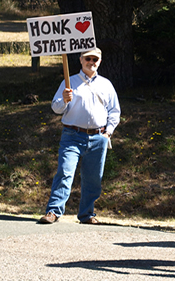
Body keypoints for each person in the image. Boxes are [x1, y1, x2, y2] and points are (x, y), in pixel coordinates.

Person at [39, 47, 120, 225]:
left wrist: (108, 133)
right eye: (88, 59)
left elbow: (114, 111)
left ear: (99, 61)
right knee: (65, 173)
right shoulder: (70, 82)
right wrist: (64, 99)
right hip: (72, 135)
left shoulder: (106, 84)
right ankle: (53, 211)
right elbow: (56, 108)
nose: (91, 62)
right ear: (81, 60)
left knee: (93, 178)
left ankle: (87, 214)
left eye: (95, 59)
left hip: (98, 137)